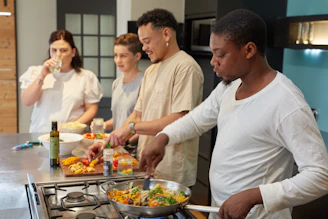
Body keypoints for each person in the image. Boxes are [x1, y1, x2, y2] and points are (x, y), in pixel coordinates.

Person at [139, 9, 328, 219]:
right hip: (220, 211)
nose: (213, 61)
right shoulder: (229, 87)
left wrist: (255, 196)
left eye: (220, 54)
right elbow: (195, 120)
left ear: (249, 50)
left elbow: (320, 176)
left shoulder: (286, 102)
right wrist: (164, 137)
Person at [87, 8, 204, 187]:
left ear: (166, 34)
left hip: (172, 169)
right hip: (147, 165)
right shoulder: (151, 70)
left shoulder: (185, 67)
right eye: (142, 42)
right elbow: (137, 114)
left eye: (147, 41)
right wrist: (108, 143)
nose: (144, 48)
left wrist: (131, 129)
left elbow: (182, 118)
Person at [20, 30, 103, 133]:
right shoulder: (36, 71)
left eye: (63, 50)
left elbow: (91, 108)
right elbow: (27, 101)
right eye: (54, 50)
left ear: (73, 52)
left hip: (72, 136)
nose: (58, 55)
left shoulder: (85, 76)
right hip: (40, 133)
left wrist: (72, 126)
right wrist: (43, 75)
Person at [90, 33, 143, 144]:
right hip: (116, 147)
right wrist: (105, 125)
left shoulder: (144, 82)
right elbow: (119, 117)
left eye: (123, 56)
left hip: (132, 148)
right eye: (115, 55)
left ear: (137, 56)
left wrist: (125, 143)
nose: (118, 60)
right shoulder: (116, 83)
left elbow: (144, 122)